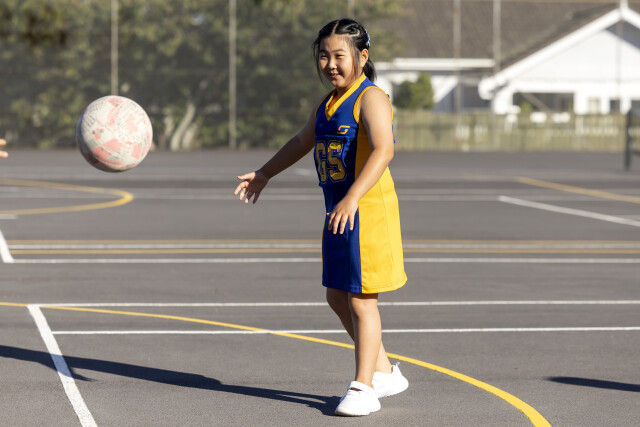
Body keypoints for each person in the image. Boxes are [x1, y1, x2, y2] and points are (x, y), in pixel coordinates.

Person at [234, 18, 408, 417]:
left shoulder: (371, 98)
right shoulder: (327, 104)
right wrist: (264, 173)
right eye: (324, 56)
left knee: (362, 300)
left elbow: (384, 150)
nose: (330, 64)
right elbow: (300, 141)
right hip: (339, 212)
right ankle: (384, 371)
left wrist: (353, 197)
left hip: (367, 212)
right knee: (336, 295)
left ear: (362, 57)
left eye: (339, 56)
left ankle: (363, 387)